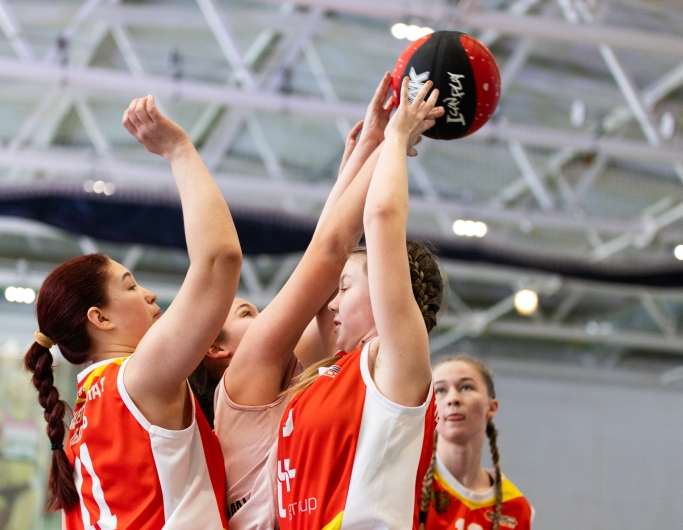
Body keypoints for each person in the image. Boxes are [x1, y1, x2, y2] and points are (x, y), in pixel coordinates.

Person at [23, 95, 242, 529]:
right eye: (131, 286)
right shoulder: (137, 381)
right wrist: (178, 148)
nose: (150, 294)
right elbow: (220, 260)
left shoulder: (85, 415)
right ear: (100, 318)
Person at [214, 73, 403, 524]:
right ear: (216, 350)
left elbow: (322, 277)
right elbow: (328, 254)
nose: (264, 316)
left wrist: (364, 152)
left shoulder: (290, 377)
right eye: (247, 313)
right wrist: (394, 140)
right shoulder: (243, 380)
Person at [268, 75, 445, 529]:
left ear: (388, 287)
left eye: (345, 288)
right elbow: (323, 253)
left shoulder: (398, 361)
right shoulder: (333, 368)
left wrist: (398, 137)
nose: (332, 303)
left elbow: (382, 218)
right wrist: (364, 154)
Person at [419, 356, 535, 530]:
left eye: (466, 387)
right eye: (440, 390)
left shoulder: (515, 506)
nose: (453, 399)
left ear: (491, 407)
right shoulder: (411, 482)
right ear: (428, 406)